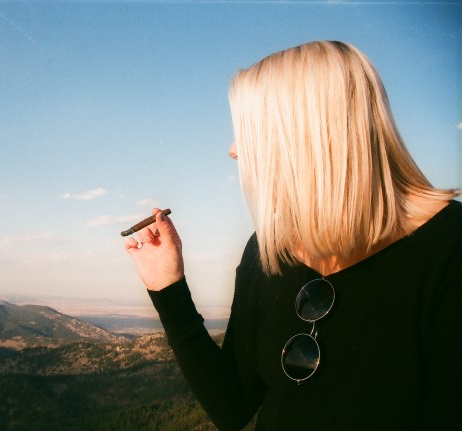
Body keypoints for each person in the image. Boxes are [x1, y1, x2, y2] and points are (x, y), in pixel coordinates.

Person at [124, 41, 461, 431]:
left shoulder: (448, 250)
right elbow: (232, 406)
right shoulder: (269, 250)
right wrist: (169, 288)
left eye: (250, 130)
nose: (234, 150)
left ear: (308, 136)